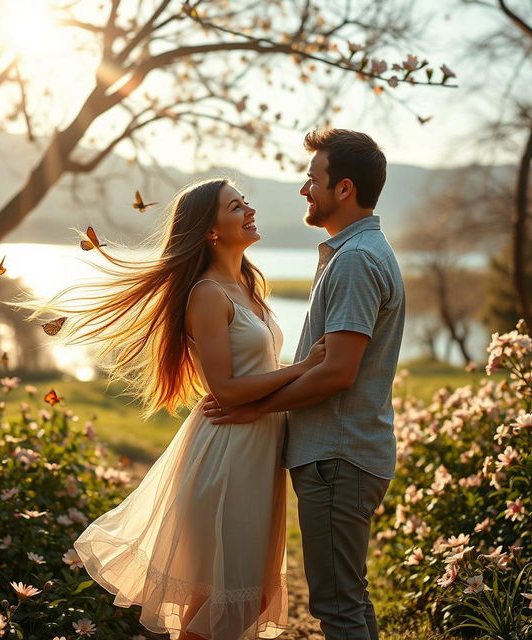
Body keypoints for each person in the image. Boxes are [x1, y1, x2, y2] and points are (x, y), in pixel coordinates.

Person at [26, 178, 325, 640]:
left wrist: (298, 372)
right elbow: (225, 389)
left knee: (250, 597)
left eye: (246, 203)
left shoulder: (246, 281)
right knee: (226, 602)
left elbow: (258, 367)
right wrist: (304, 368)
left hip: (256, 451)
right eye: (235, 206)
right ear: (210, 229)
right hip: (227, 453)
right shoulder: (207, 293)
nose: (250, 211)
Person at [204, 129, 406, 640]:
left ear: (343, 189)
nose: (303, 189)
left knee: (338, 606)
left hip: (338, 454)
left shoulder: (356, 260)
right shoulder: (351, 253)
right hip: (340, 452)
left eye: (313, 179)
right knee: (349, 597)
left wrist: (260, 408)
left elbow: (338, 371)